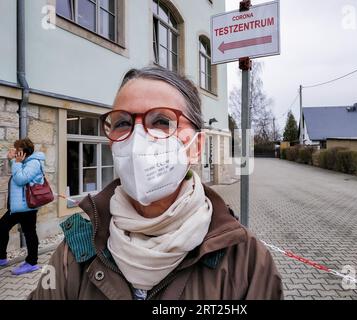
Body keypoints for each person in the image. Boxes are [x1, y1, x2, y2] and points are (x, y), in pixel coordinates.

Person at [29, 67, 283, 300]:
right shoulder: (75, 252)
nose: (138, 139)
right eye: (123, 123)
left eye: (161, 121)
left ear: (196, 147)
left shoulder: (246, 261)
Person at [0, 138, 45, 275]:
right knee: (2, 227)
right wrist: (11, 160)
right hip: (18, 206)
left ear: (24, 152)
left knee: (29, 233)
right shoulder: (24, 162)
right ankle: (2, 257)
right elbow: (14, 175)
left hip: (27, 207)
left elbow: (20, 179)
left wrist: (15, 162)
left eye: (17, 150)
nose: (15, 152)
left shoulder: (34, 163)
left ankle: (32, 263)